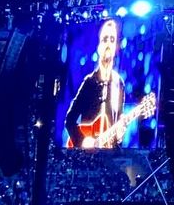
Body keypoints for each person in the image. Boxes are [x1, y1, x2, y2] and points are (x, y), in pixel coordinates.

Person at [65, 19, 154, 149]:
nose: (108, 44)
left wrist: (119, 134)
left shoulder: (119, 83)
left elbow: (117, 125)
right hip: (87, 154)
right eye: (104, 39)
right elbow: (69, 121)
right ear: (98, 46)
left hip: (109, 153)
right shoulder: (89, 82)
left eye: (112, 40)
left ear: (117, 47)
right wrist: (83, 142)